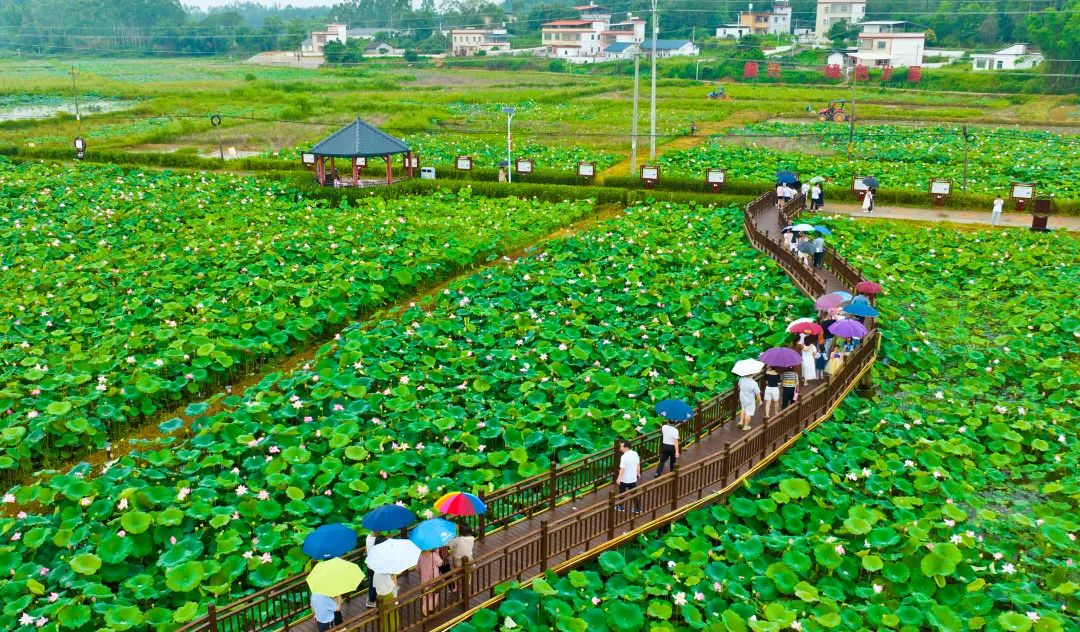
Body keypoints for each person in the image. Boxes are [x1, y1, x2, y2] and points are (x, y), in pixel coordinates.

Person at [616, 440, 641, 512]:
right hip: (633, 479)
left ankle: (620, 506)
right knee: (634, 494)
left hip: (624, 479)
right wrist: (638, 473)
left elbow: (622, 469)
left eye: (621, 447)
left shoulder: (624, 457)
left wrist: (619, 478)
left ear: (626, 447)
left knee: (622, 493)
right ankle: (637, 508)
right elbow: (638, 465)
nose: (621, 448)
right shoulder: (635, 453)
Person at [417, 548, 444, 614]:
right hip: (434, 577)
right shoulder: (433, 554)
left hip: (424, 577)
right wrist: (437, 553)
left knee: (426, 592)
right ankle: (429, 607)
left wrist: (422, 573)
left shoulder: (420, 556)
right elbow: (440, 563)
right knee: (434, 592)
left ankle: (425, 608)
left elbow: (417, 568)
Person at [365, 533, 388, 607]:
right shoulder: (377, 540)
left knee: (371, 582)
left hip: (369, 563)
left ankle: (370, 597)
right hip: (376, 566)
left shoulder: (368, 537)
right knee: (376, 584)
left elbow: (366, 549)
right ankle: (371, 601)